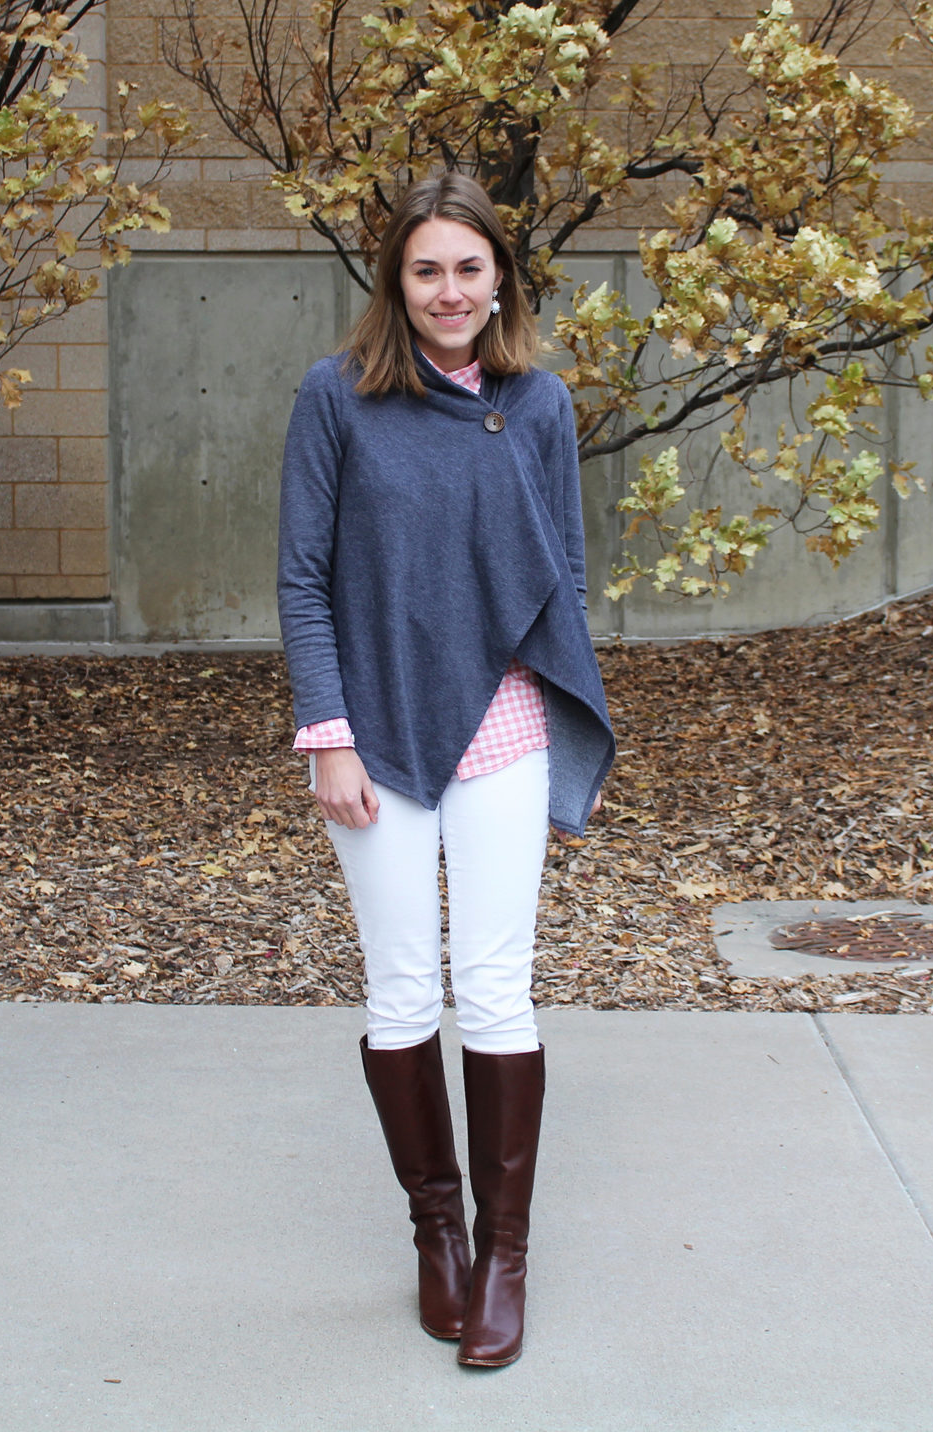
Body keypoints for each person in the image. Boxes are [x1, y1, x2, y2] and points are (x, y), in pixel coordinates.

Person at [277, 172, 615, 1368]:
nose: (450, 290)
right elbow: (302, 578)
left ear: (500, 278)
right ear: (396, 281)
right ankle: (438, 1234)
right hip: (372, 732)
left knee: (496, 986)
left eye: (470, 267)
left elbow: (563, 573)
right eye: (427, 269)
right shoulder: (336, 396)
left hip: (504, 723)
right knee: (402, 991)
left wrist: (565, 702)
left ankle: (503, 1256)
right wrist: (327, 733)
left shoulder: (537, 402)